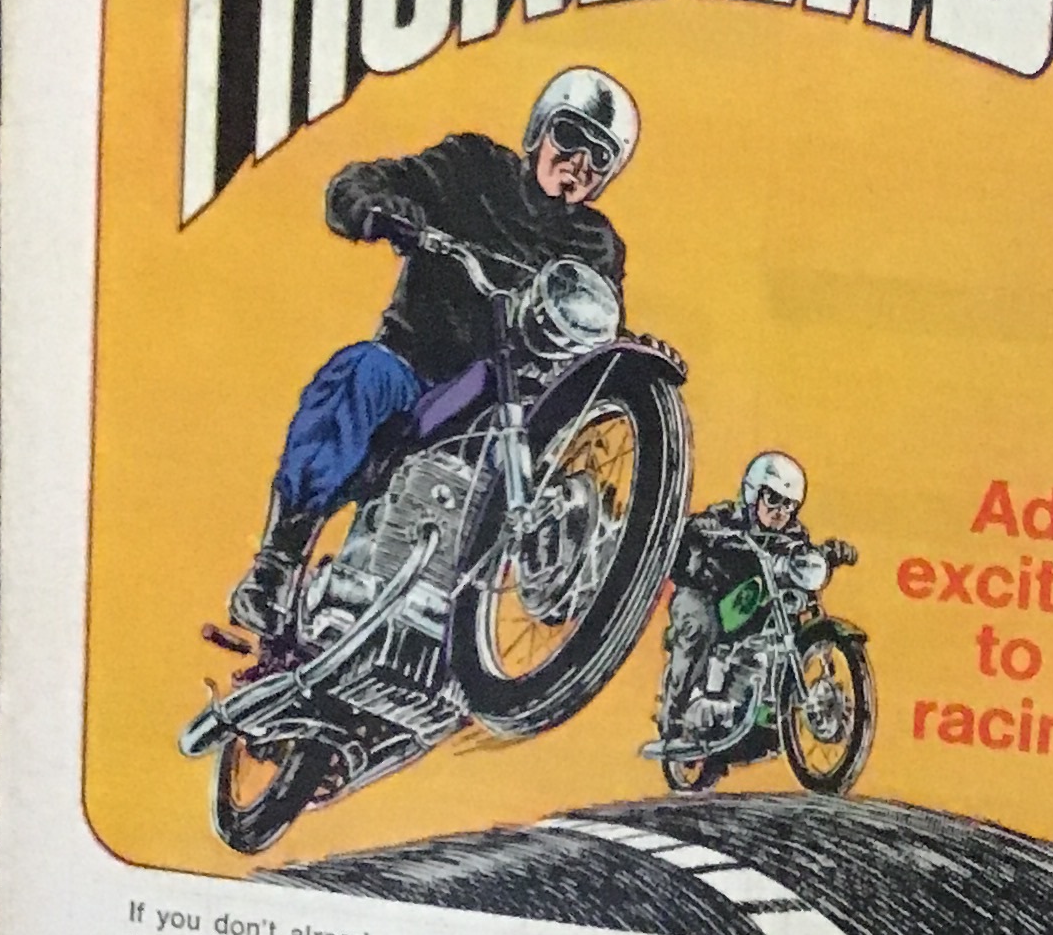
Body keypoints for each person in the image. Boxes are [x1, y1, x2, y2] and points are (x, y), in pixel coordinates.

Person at [227, 66, 640, 639]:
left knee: (579, 473)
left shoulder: (595, 246)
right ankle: (278, 562)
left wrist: (628, 356)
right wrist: (375, 206)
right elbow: (365, 182)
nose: (579, 162)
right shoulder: (473, 168)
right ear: (541, 128)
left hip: (514, 407)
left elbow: (601, 327)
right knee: (361, 375)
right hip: (414, 370)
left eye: (599, 156)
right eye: (570, 137)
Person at [658, 451, 854, 736]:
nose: (780, 511)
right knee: (699, 626)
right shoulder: (727, 518)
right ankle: (674, 717)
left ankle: (770, 704)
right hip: (708, 591)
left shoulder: (793, 534)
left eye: (789, 504)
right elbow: (698, 527)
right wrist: (710, 532)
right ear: (754, 493)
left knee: (796, 613)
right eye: (773, 499)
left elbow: (800, 555)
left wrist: (829, 553)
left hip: (757, 601)